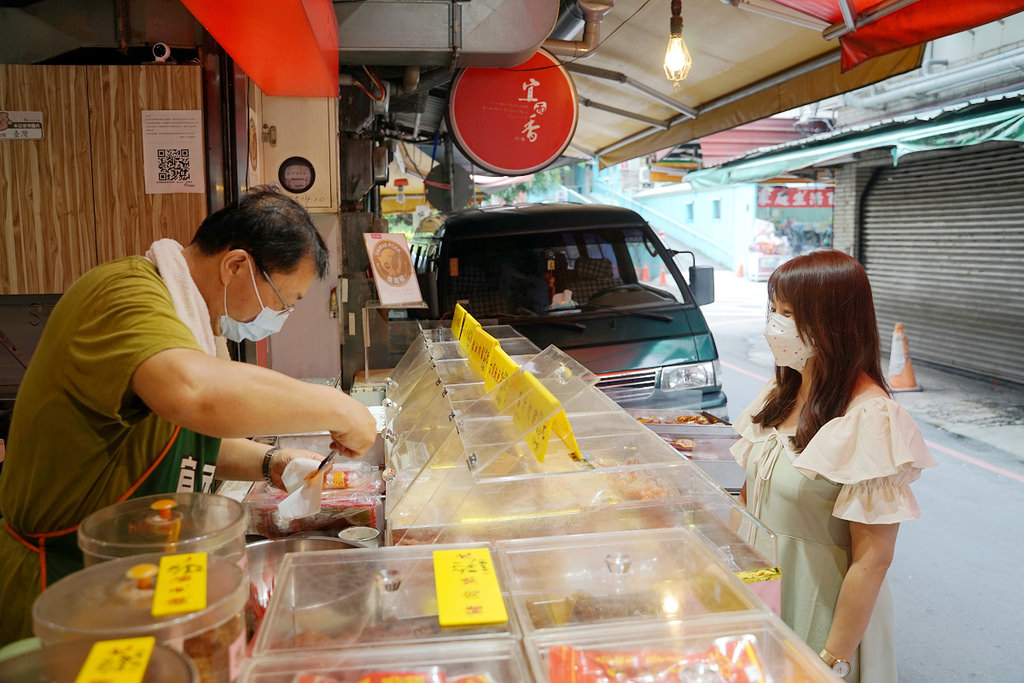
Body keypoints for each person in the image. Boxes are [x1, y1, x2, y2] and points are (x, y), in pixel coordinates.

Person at [0, 188, 377, 644]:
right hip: (63, 586)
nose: (280, 316)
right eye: (282, 301)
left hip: (128, 580)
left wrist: (270, 463)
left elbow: (186, 440)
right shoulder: (124, 293)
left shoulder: (194, 323)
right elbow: (193, 393)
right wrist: (339, 409)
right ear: (236, 266)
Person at [730, 249, 937, 681]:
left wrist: (829, 660)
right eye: (774, 309)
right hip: (761, 596)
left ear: (833, 323)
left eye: (790, 312)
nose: (776, 323)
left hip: (819, 612)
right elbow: (750, 498)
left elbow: (872, 561)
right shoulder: (781, 391)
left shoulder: (871, 418)